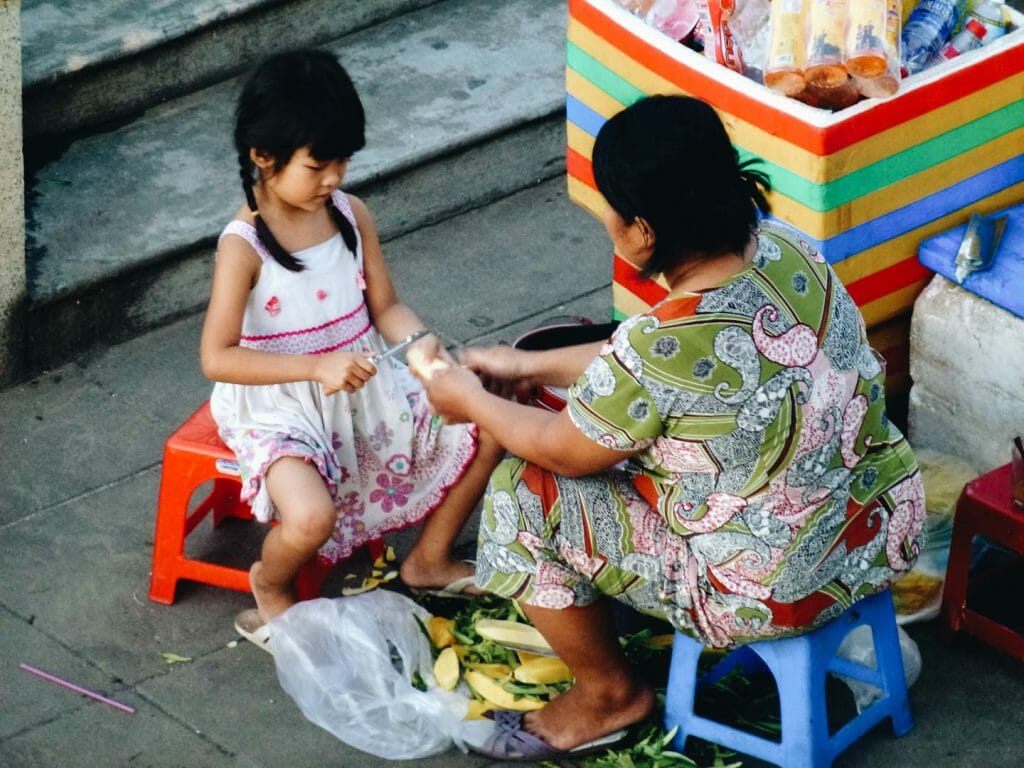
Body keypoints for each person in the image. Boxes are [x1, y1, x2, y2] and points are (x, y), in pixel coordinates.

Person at [416, 95, 927, 759]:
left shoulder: (660, 344)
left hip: (766, 593)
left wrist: (469, 398)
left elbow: (561, 449)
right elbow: (648, 361)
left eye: (610, 206)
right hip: (882, 530)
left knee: (522, 494)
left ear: (643, 230)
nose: (604, 219)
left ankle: (609, 695)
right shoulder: (788, 251)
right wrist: (525, 364)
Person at [199, 49, 503, 640]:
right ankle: (271, 583)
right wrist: (317, 367)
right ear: (263, 156)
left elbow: (385, 307)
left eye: (343, 161)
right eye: (318, 165)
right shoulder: (243, 246)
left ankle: (429, 560)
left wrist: (421, 347)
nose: (334, 178)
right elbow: (217, 357)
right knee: (311, 518)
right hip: (282, 407)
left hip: (365, 388)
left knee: (489, 422)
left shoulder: (350, 214)